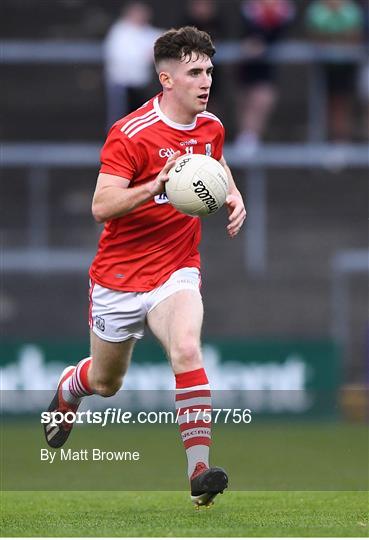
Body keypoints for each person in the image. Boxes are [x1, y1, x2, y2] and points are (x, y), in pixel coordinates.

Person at [44, 26, 246, 508]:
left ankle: (199, 471)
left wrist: (233, 193)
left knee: (187, 348)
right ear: (166, 78)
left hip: (176, 267)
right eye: (195, 72)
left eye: (210, 71)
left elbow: (214, 165)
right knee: (107, 384)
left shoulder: (210, 126)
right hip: (118, 277)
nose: (206, 81)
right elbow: (101, 206)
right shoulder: (130, 133)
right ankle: (72, 387)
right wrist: (156, 186)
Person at [234, 0, 295, 155]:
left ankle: (249, 139)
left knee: (262, 99)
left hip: (268, 69)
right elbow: (245, 33)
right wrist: (251, 44)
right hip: (246, 67)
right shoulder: (249, 9)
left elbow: (280, 34)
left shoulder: (285, 11)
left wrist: (263, 44)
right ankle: (245, 139)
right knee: (245, 103)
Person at [306, 0, 364, 141]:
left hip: (349, 66)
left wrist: (332, 39)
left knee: (344, 103)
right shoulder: (316, 10)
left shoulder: (351, 10)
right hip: (325, 67)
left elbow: (354, 37)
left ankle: (343, 141)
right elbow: (315, 37)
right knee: (329, 104)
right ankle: (335, 141)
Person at [103, 2, 161, 128]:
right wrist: (146, 55)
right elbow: (120, 56)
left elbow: (163, 38)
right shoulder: (120, 31)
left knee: (140, 121)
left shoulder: (147, 31)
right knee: (121, 122)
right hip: (122, 85)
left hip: (141, 87)